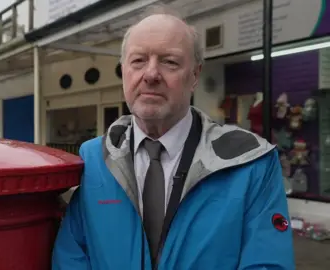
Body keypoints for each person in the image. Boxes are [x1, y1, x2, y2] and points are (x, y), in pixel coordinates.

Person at [52, 4, 295, 270]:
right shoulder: (95, 159)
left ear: (195, 75)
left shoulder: (251, 164)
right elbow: (72, 255)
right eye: (138, 60)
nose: (151, 74)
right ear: (124, 71)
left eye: (169, 61)